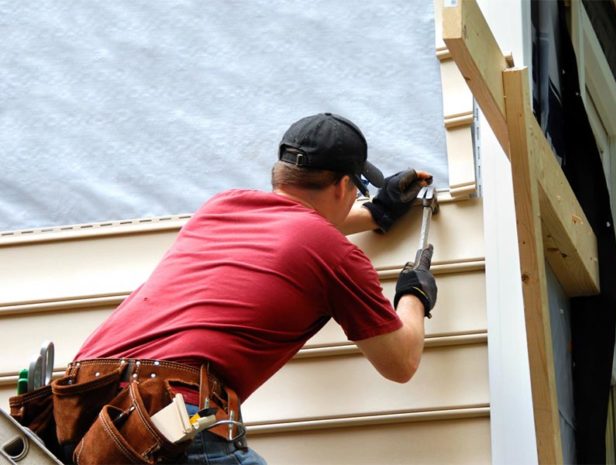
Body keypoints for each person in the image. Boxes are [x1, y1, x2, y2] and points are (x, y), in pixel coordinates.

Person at [67, 113, 437, 464]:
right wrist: (413, 294)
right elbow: (400, 362)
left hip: (85, 404)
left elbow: (293, 231)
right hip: (166, 413)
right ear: (343, 186)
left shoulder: (221, 207)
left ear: (281, 174)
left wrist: (378, 213)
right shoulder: (334, 253)